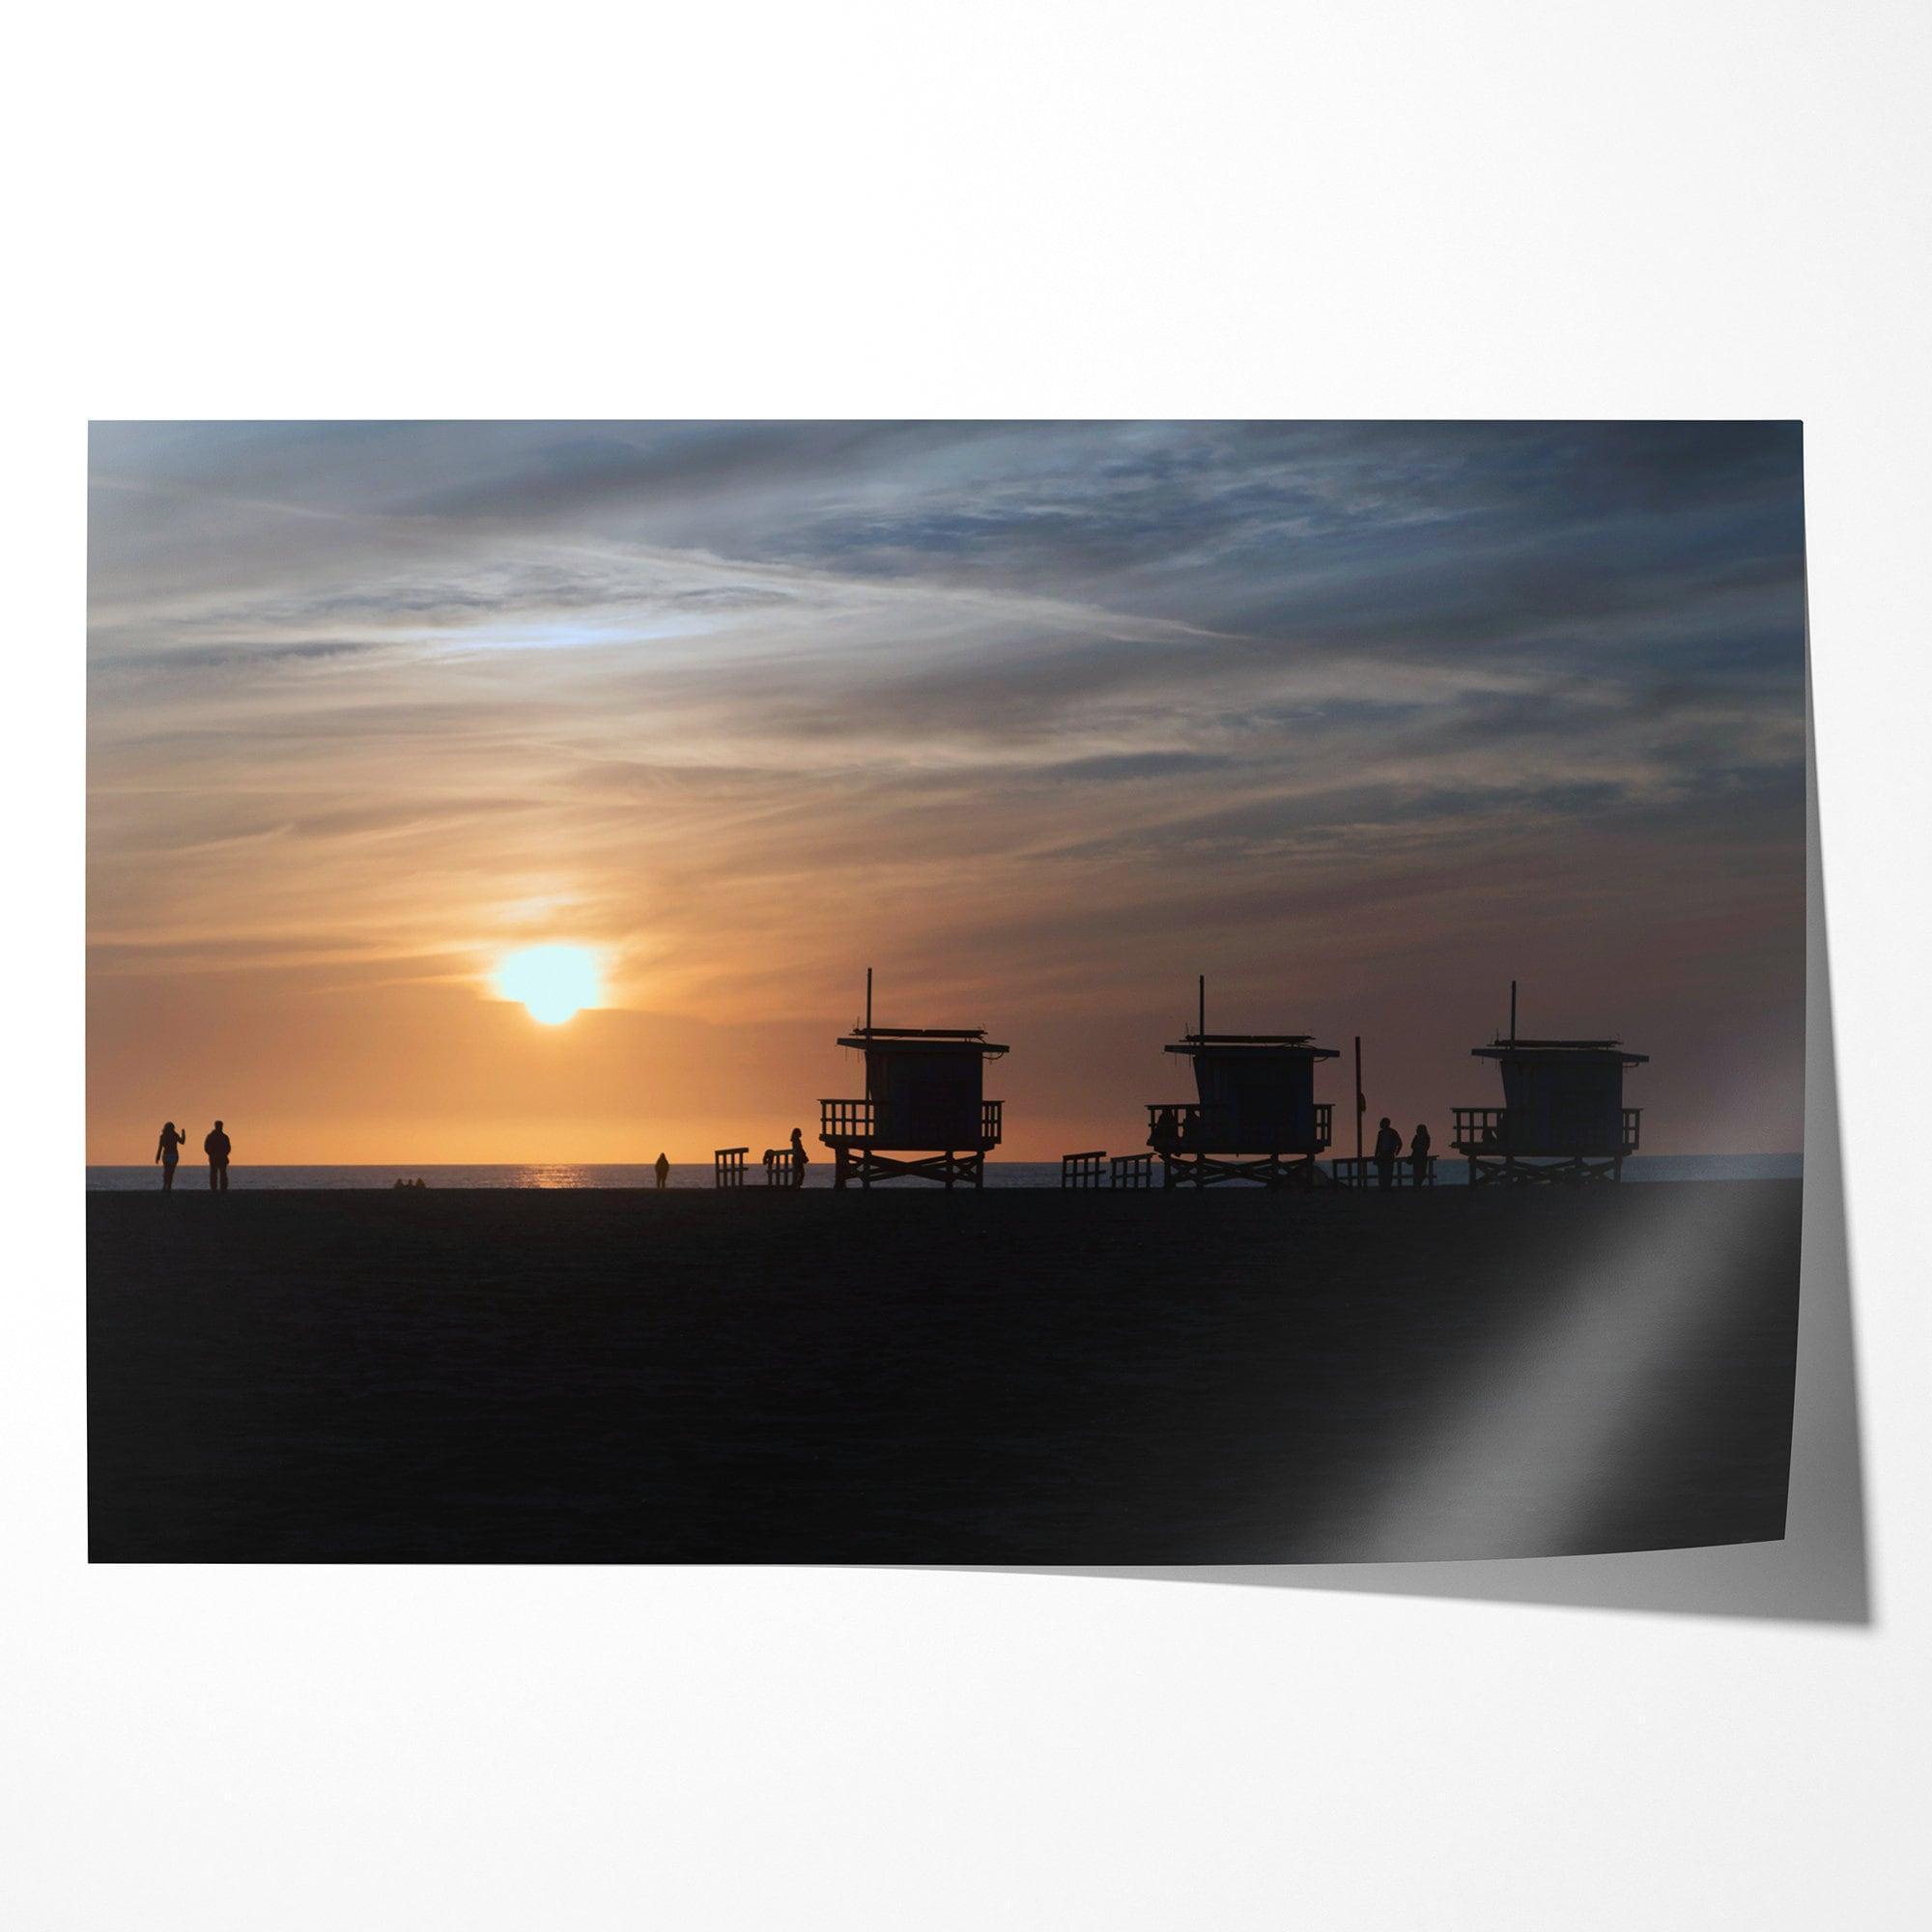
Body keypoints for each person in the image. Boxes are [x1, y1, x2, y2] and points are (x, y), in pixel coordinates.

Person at [155, 1121, 185, 1191]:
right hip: (173, 1155)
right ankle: (169, 1186)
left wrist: (157, 1157)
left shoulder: (163, 1136)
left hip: (167, 1155)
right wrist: (183, 1133)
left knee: (166, 1171)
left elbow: (160, 1148)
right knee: (171, 1171)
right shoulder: (175, 1135)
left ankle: (165, 1185)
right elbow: (182, 1142)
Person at [1373, 1116, 1401, 1190]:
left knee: (1388, 1171)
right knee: (1382, 1171)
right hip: (1382, 1154)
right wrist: (1375, 1155)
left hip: (1389, 1154)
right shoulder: (1381, 1133)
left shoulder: (1392, 1132)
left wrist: (1396, 1151)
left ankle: (1387, 1186)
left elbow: (1399, 1143)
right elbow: (1378, 1145)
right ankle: (1382, 1186)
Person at [204, 1119, 232, 1192]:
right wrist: (212, 1154)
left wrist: (223, 1154)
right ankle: (216, 1189)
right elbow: (206, 1147)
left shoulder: (223, 1136)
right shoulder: (218, 1136)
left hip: (219, 1157)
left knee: (220, 1174)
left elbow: (228, 1148)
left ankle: (220, 1189)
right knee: (216, 1174)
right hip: (216, 1157)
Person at [1408, 1122, 1432, 1188]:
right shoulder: (1417, 1137)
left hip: (1421, 1156)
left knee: (1421, 1173)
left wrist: (1418, 1147)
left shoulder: (1425, 1137)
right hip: (1418, 1156)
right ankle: (1417, 1185)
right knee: (1418, 1172)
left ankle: (1417, 1185)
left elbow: (1426, 1146)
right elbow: (1412, 1145)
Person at [788, 1125, 810, 1189]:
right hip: (798, 1158)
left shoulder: (794, 1141)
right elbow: (799, 1149)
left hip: (796, 1158)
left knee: (797, 1172)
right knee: (801, 1173)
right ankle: (797, 1184)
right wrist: (803, 1155)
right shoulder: (796, 1141)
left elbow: (799, 1149)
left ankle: (796, 1184)